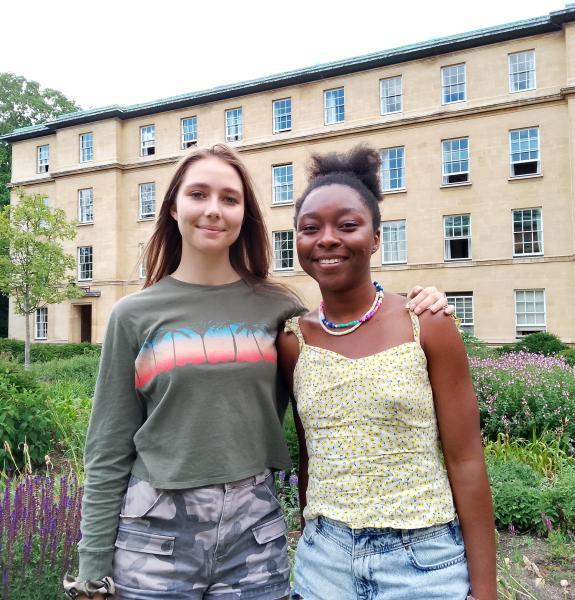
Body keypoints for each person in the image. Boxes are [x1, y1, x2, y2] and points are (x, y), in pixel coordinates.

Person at [64, 144, 453, 600]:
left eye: (230, 199)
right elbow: (108, 447)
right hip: (155, 537)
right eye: (198, 195)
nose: (213, 210)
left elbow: (350, 331)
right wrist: (92, 567)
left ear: (245, 213)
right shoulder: (133, 315)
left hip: (253, 536)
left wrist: (421, 302)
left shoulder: (280, 308)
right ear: (173, 207)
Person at [278, 146, 496, 600]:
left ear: (376, 237)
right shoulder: (292, 340)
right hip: (324, 564)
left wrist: (486, 590)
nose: (327, 238)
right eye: (310, 227)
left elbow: (467, 460)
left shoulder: (427, 323)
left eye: (348, 225)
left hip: (424, 563)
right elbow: (309, 455)